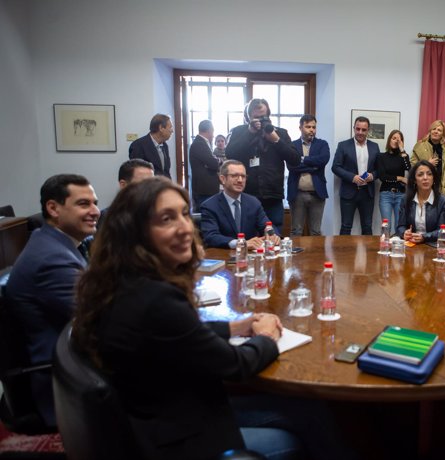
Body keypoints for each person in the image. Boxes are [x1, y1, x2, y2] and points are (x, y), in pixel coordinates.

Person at [70, 177, 339, 460]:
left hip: (161, 411)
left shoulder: (122, 283)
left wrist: (236, 326)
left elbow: (181, 333)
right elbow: (235, 366)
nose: (185, 228)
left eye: (185, 214)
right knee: (311, 415)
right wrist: (266, 336)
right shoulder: (156, 300)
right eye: (166, 219)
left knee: (305, 409)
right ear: (134, 232)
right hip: (185, 437)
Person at [5, 174, 100, 426]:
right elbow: (103, 322)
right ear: (53, 208)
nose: (95, 211)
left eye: (95, 203)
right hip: (64, 381)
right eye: (84, 204)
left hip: (74, 358)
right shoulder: (52, 260)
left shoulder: (54, 243)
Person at [225, 99, 301, 234]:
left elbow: (295, 160)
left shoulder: (280, 133)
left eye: (263, 117)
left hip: (273, 195)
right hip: (247, 195)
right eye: (256, 118)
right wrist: (249, 132)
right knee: (248, 236)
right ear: (248, 117)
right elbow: (230, 153)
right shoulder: (239, 132)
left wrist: (276, 140)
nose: (260, 121)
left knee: (274, 237)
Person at [200, 160, 280, 250]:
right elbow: (211, 237)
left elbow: (267, 225)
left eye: (243, 176)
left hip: (251, 258)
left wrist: (272, 235)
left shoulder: (253, 202)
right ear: (223, 179)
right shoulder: (210, 206)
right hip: (224, 257)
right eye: (234, 176)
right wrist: (240, 243)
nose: (240, 180)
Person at [331, 116, 380, 235]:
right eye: (358, 129)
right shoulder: (343, 145)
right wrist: (352, 177)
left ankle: (368, 254)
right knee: (346, 227)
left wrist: (372, 176)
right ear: (354, 128)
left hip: (367, 193)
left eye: (364, 130)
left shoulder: (375, 146)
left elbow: (380, 169)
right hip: (348, 192)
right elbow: (335, 167)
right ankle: (343, 253)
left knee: (367, 227)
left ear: (368, 130)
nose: (360, 132)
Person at [287, 114, 330, 236]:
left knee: (316, 231)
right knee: (296, 230)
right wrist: (314, 166)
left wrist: (302, 159)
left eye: (314, 127)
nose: (312, 130)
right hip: (297, 193)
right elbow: (291, 166)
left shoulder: (322, 144)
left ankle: (316, 256)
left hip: (317, 194)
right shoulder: (292, 145)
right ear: (300, 128)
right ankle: (294, 255)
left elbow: (323, 160)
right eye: (308, 127)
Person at [395, 160, 445, 243]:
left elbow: (442, 231)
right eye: (420, 175)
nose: (425, 178)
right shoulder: (406, 199)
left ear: (433, 178)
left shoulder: (442, 201)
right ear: (414, 180)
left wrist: (424, 237)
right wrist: (404, 233)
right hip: (411, 245)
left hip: (433, 246)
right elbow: (400, 226)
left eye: (429, 174)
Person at [98, 159, 154, 227]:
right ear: (123, 185)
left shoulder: (157, 214)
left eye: (152, 183)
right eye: (143, 183)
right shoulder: (108, 217)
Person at [376, 130, 410, 229]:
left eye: (399, 140)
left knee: (400, 226)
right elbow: (383, 177)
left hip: (400, 195)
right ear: (389, 140)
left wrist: (402, 149)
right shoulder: (381, 156)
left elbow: (408, 168)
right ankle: (385, 244)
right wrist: (400, 178)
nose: (396, 141)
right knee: (386, 226)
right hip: (386, 195)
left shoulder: (403, 157)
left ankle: (398, 245)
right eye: (394, 138)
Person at [411, 120, 445, 196]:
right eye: (434, 129)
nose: (436, 131)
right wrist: (427, 164)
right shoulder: (420, 145)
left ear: (443, 134)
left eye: (439, 130)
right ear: (430, 131)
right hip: (423, 187)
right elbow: (412, 165)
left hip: (440, 189)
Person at [189, 119, 221, 211]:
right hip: (204, 190)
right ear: (210, 130)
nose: (213, 135)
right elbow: (214, 164)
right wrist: (217, 160)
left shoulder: (201, 143)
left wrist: (213, 161)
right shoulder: (199, 143)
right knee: (205, 217)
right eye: (213, 131)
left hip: (205, 190)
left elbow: (210, 162)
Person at [129, 113, 173, 178]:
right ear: (161, 128)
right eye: (170, 127)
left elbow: (165, 172)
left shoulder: (164, 145)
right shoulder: (138, 146)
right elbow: (138, 174)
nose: (172, 131)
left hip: (162, 186)